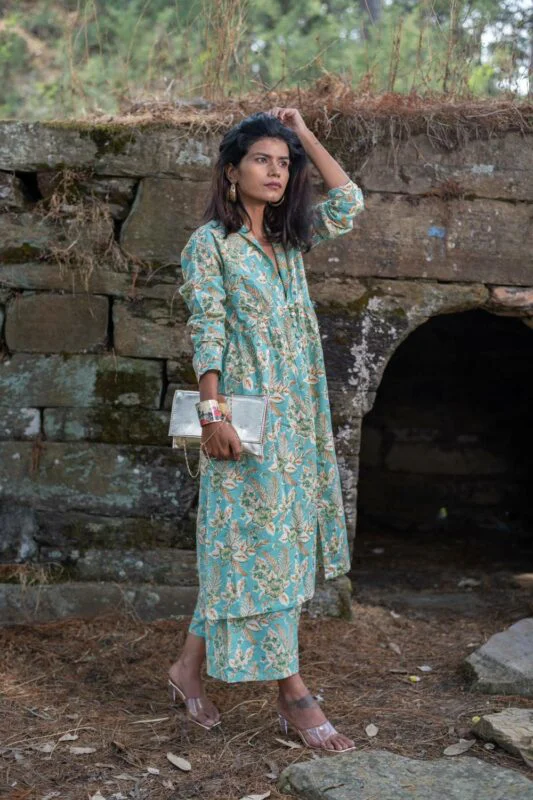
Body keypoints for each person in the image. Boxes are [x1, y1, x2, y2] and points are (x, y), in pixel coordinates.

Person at [168, 107, 364, 752]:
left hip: (297, 422)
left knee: (260, 549)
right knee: (259, 551)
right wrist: (213, 414)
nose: (276, 172)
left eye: (283, 164)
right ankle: (293, 692)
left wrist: (302, 134)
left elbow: (349, 201)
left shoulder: (290, 240)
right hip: (243, 422)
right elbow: (207, 327)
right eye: (262, 160)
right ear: (232, 171)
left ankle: (187, 669)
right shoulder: (210, 245)